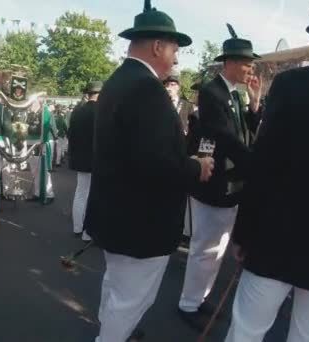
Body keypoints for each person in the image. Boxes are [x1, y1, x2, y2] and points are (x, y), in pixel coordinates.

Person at [83, 1, 214, 340]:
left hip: (117, 216)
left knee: (117, 287)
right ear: (157, 46)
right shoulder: (146, 88)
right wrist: (195, 166)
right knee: (131, 299)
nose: (175, 58)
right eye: (174, 49)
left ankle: (113, 330)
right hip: (139, 222)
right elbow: (157, 162)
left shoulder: (120, 80)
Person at [224, 3, 309, 341]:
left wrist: (244, 232)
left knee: (248, 330)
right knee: (308, 335)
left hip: (277, 234)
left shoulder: (291, 85)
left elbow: (264, 164)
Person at [178, 23, 262, 332]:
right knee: (205, 249)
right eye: (245, 62)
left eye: (251, 63)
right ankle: (188, 303)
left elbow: (247, 132)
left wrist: (254, 102)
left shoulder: (235, 96)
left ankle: (200, 298)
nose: (249, 69)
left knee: (216, 250)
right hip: (215, 184)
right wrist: (256, 166)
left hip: (231, 183)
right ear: (228, 62)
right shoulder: (212, 92)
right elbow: (226, 138)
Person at [68, 81, 102, 242]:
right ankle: (88, 232)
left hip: (81, 159)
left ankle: (77, 226)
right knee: (93, 196)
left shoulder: (77, 112)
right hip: (97, 160)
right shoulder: (103, 112)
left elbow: (70, 135)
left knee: (81, 193)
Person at [164, 69, 195, 135]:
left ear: (178, 87)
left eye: (172, 85)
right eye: (166, 85)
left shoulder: (187, 105)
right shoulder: (161, 103)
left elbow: (193, 125)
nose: (168, 88)